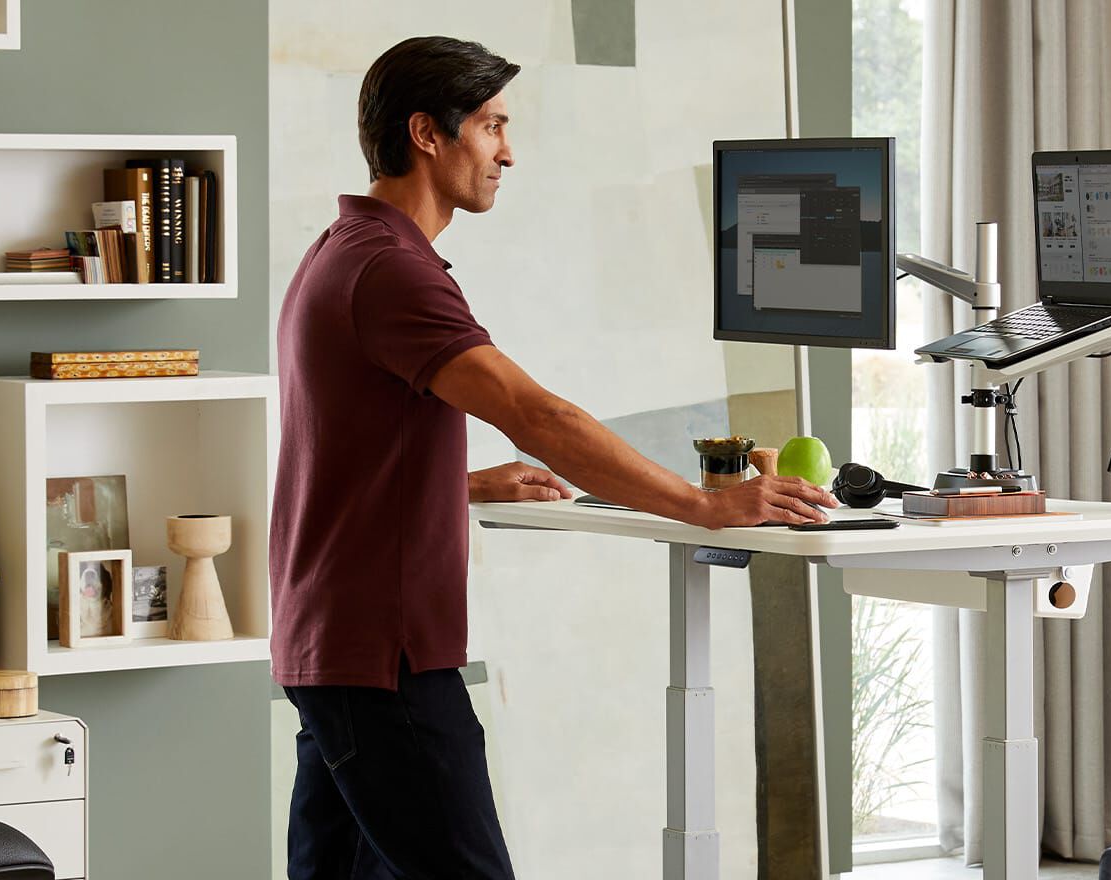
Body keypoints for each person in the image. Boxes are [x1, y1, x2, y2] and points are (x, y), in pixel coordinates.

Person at [268, 35, 836, 879]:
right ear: (429, 133)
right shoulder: (392, 271)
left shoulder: (340, 250)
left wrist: (448, 483)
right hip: (384, 658)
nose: (508, 150)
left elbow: (334, 445)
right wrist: (705, 504)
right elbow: (537, 414)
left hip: (332, 643)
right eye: (492, 126)